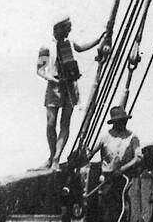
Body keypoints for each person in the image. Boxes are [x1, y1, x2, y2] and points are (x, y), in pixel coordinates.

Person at [37, 15, 107, 170]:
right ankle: (51, 155)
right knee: (50, 123)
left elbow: (81, 48)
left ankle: (56, 158)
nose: (70, 30)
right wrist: (53, 79)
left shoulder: (69, 43)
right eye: (68, 28)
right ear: (59, 28)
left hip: (69, 87)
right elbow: (40, 70)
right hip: (54, 87)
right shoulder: (46, 46)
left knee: (65, 123)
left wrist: (100, 39)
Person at [92, 104, 144, 222]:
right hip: (109, 179)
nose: (123, 123)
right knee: (109, 215)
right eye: (120, 121)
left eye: (124, 120)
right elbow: (89, 153)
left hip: (130, 177)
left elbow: (139, 157)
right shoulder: (105, 137)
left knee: (134, 214)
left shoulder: (133, 136)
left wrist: (123, 169)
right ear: (113, 122)